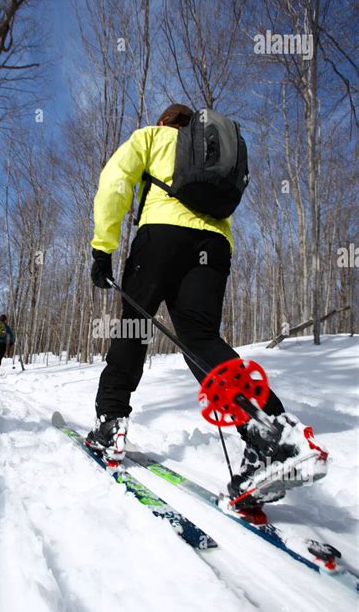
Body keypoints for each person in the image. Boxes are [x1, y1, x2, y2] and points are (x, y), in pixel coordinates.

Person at [85, 103, 328, 516]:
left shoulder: (153, 136)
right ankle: (273, 434)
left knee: (135, 329)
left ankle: (111, 421)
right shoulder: (214, 156)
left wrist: (102, 247)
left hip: (160, 237)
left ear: (166, 122)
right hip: (213, 247)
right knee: (202, 340)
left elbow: (114, 181)